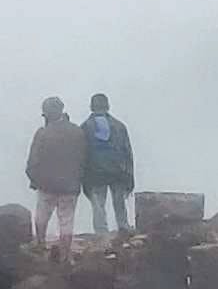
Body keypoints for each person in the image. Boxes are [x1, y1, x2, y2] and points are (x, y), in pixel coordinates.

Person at [21, 96, 85, 254]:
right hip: (70, 185)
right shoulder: (77, 132)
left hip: (46, 185)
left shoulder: (43, 133)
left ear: (47, 114)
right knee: (66, 219)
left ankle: (41, 244)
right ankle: (65, 252)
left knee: (41, 217)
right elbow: (83, 158)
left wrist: (35, 180)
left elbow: (32, 161)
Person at [79, 92, 136, 238]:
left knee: (98, 204)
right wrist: (130, 175)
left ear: (91, 107)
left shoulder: (85, 127)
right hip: (118, 171)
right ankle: (123, 226)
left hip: (95, 172)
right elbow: (127, 152)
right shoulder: (119, 126)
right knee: (119, 201)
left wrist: (82, 176)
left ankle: (101, 232)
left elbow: (81, 154)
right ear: (108, 106)